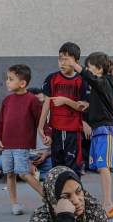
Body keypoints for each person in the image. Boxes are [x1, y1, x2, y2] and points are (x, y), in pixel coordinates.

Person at [67, 52, 113, 218]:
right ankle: (106, 202)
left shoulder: (105, 81)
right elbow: (101, 102)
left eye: (89, 67)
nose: (87, 70)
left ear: (98, 68)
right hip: (99, 130)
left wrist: (75, 65)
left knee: (104, 167)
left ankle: (108, 203)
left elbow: (91, 79)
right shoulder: (101, 85)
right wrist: (88, 105)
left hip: (105, 130)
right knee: (99, 167)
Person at [0, 64, 43, 216]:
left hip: (22, 144)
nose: (7, 82)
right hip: (7, 145)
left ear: (22, 83)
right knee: (9, 173)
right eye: (7, 79)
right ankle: (14, 203)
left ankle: (48, 198)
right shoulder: (7, 100)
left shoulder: (32, 100)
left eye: (10, 79)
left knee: (23, 174)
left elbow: (40, 121)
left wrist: (45, 134)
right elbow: (0, 121)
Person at [37, 42, 90, 178]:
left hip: (73, 130)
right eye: (60, 58)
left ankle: (76, 195)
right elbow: (47, 104)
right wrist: (41, 127)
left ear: (77, 62)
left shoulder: (81, 80)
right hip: (56, 129)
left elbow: (83, 106)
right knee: (57, 166)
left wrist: (65, 101)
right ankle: (60, 195)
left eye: (67, 60)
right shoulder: (51, 78)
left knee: (73, 166)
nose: (62, 63)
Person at [26, 87, 53, 181]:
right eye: (36, 103)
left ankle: (25, 175)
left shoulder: (52, 116)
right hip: (23, 156)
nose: (40, 106)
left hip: (45, 157)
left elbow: (61, 145)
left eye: (42, 102)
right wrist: (27, 162)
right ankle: (35, 174)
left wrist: (46, 154)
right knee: (1, 162)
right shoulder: (20, 116)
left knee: (58, 163)